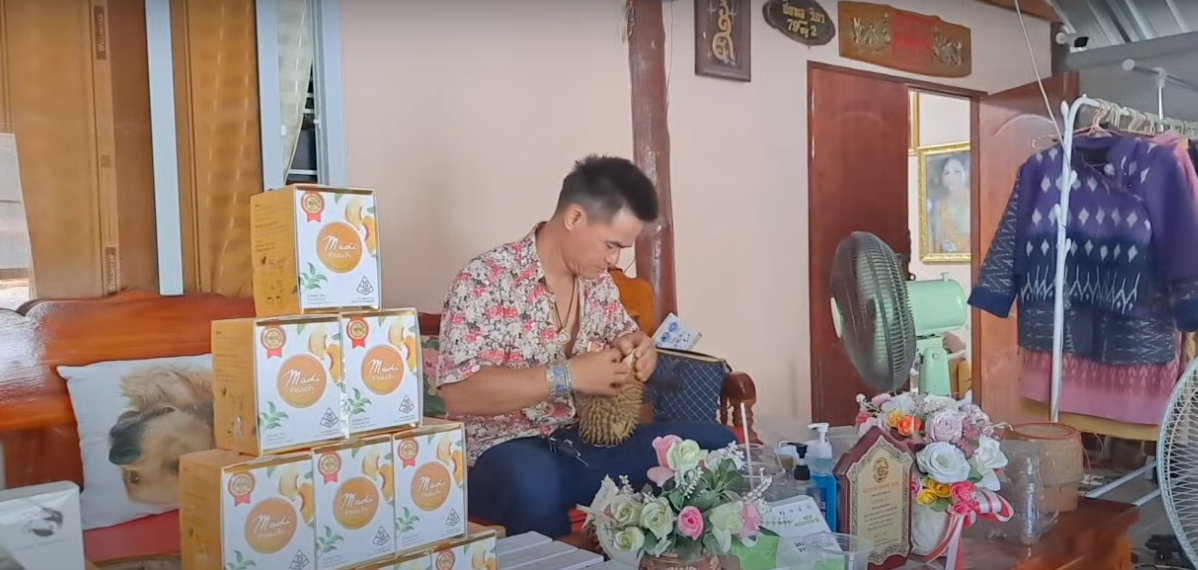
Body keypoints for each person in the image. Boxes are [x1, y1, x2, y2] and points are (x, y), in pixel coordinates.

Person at [434, 155, 736, 538]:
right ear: (575, 217)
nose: (614, 260)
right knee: (531, 481)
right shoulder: (487, 278)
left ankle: (665, 556)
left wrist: (640, 350)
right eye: (610, 245)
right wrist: (569, 376)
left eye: (622, 248)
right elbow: (460, 393)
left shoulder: (598, 282)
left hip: (583, 445)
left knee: (717, 444)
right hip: (501, 451)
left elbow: (625, 336)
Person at [931, 156, 970, 254]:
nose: (952, 177)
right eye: (947, 173)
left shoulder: (976, 201)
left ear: (966, 173)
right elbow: (938, 241)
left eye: (956, 171)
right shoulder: (940, 206)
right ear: (943, 179)